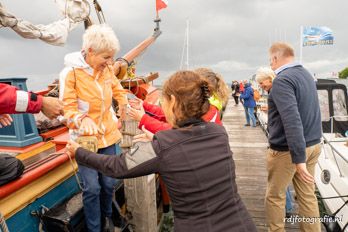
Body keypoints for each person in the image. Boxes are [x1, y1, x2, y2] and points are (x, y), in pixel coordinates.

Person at [66, 70, 257, 232]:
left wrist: (79, 152)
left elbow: (117, 166)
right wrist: (156, 139)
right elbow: (187, 143)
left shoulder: (165, 146)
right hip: (241, 223)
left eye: (163, 101)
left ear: (173, 101)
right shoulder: (218, 131)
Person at [60, 24, 128, 232]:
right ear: (90, 51)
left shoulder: (106, 70)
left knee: (108, 184)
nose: (110, 63)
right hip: (84, 140)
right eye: (106, 57)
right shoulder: (71, 73)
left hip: (106, 136)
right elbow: (67, 109)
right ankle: (94, 228)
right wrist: (82, 119)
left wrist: (123, 102)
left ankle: (107, 218)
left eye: (111, 58)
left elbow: (117, 88)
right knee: (92, 188)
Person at [265, 42, 322, 231]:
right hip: (313, 144)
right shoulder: (306, 74)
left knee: (275, 196)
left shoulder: (282, 80)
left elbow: (292, 120)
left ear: (275, 58)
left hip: (289, 151)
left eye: (270, 60)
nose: (270, 65)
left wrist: (298, 159)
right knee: (307, 196)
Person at [255, 67, 295, 217]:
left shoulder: (277, 90)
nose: (260, 85)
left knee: (277, 183)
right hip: (282, 143)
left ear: (270, 78)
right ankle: (288, 207)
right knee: (281, 182)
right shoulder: (275, 91)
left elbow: (289, 117)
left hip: (281, 146)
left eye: (262, 82)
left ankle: (287, 209)